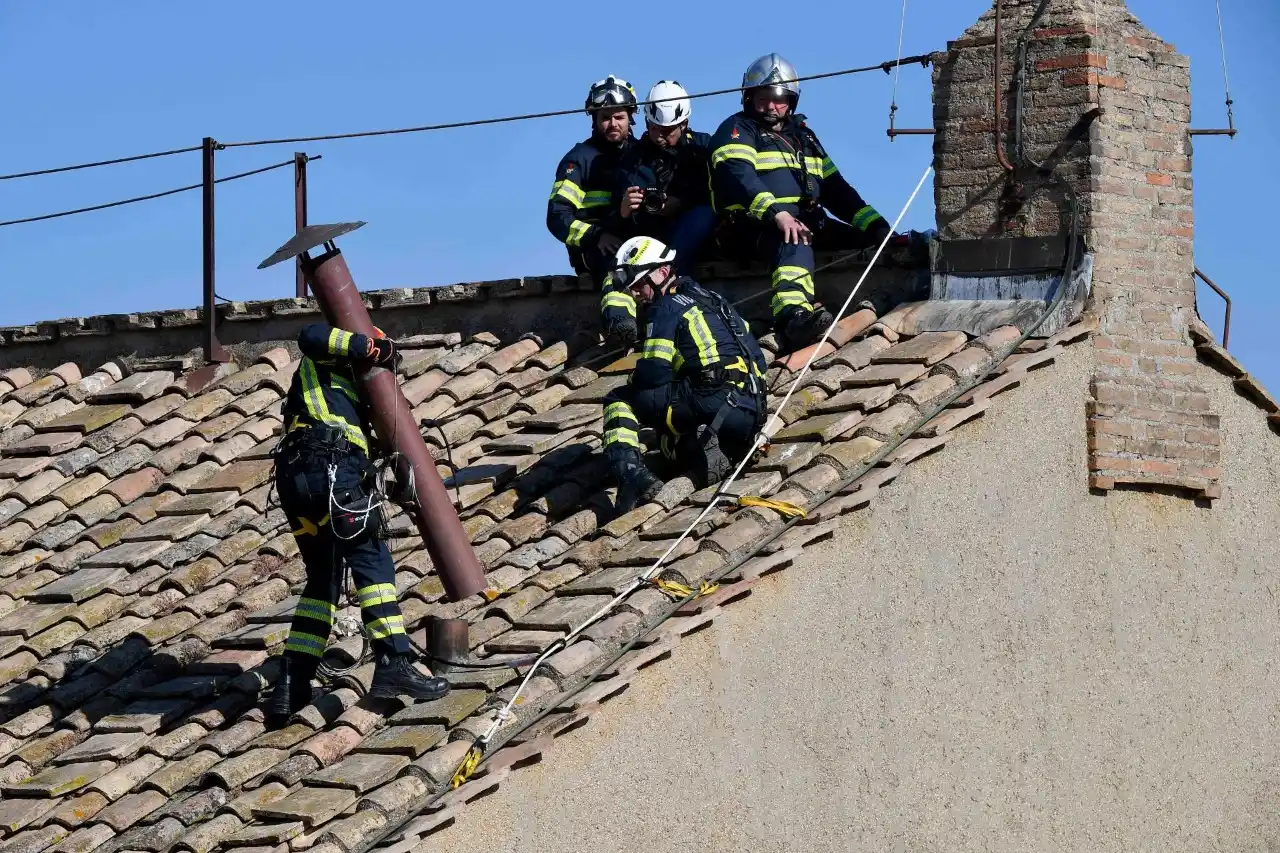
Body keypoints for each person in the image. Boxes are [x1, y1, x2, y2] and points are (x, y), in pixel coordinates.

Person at [266, 323, 449, 730]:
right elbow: (310, 334)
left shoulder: (344, 393)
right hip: (330, 468)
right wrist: (367, 346)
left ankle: (291, 684)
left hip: (299, 479)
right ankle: (394, 660)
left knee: (323, 582)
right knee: (373, 562)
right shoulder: (330, 356)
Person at [710, 53, 898, 351]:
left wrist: (879, 228)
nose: (772, 105)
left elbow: (837, 190)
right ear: (748, 97)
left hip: (806, 223)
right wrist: (777, 214)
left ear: (792, 101)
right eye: (763, 97)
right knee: (794, 237)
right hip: (750, 228)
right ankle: (793, 316)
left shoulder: (805, 138)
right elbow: (739, 178)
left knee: (865, 241)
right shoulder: (736, 130)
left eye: (780, 98)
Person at [601, 236, 769, 514]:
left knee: (620, 400)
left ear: (663, 273)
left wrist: (635, 383)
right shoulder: (715, 299)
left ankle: (630, 475)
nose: (635, 294)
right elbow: (759, 360)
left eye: (640, 284)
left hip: (712, 399)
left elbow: (653, 373)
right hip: (751, 410)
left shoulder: (665, 307)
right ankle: (709, 448)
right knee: (672, 427)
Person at [547, 76, 639, 340]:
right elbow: (557, 216)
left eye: (619, 117)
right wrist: (595, 236)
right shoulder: (578, 160)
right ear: (594, 119)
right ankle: (619, 325)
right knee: (617, 265)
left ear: (631, 117)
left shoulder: (642, 152)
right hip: (594, 247)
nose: (612, 124)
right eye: (605, 117)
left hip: (636, 238)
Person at [616, 80, 716, 276]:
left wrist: (680, 203)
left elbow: (719, 191)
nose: (660, 136)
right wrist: (623, 212)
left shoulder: (704, 147)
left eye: (667, 131)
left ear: (684, 124)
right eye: (654, 128)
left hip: (697, 233)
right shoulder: (631, 160)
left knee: (703, 215)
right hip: (649, 237)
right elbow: (615, 220)